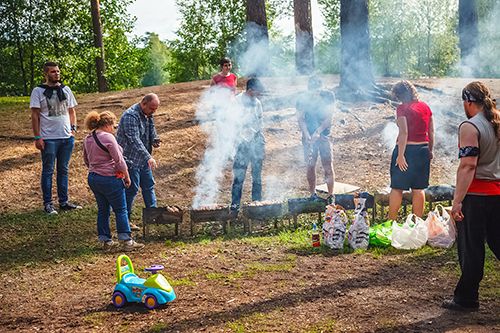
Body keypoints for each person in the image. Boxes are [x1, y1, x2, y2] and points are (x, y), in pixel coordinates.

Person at [443, 81, 500, 312]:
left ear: (468, 102)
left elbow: (468, 165)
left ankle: (466, 298)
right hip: (498, 194)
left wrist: (457, 202)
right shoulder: (497, 121)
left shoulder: (470, 126)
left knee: (471, 248)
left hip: (476, 197)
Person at [83, 111, 144, 251]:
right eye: (114, 126)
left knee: (103, 209)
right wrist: (127, 176)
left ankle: (105, 241)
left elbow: (86, 159)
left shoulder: (88, 138)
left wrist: (95, 169)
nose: (114, 129)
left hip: (93, 178)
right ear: (108, 125)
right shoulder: (108, 138)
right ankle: (126, 241)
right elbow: (119, 161)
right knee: (120, 209)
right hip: (110, 179)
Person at [30, 61, 82, 214]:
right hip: (48, 138)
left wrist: (73, 130)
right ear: (45, 74)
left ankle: (64, 202)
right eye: (53, 72)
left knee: (63, 170)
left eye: (58, 71)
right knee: (48, 170)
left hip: (66, 138)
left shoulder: (66, 89)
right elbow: (34, 115)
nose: (56, 74)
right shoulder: (38, 91)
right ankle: (48, 204)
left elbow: (72, 111)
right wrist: (37, 137)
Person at [388, 80, 434, 220]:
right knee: (418, 189)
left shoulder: (402, 109)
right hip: (422, 150)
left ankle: (392, 222)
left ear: (399, 95)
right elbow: (431, 132)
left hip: (406, 150)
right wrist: (430, 150)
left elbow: (404, 133)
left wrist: (401, 155)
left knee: (397, 188)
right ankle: (418, 223)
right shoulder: (426, 107)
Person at [116, 93, 161, 229]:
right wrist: (148, 157)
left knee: (149, 186)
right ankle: (126, 219)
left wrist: (154, 139)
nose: (153, 112)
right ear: (143, 103)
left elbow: (151, 129)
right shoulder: (131, 116)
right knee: (131, 189)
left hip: (143, 158)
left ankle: (153, 215)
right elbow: (134, 140)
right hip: (130, 159)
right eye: (152, 108)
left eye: (155, 109)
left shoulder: (148, 114)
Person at [296, 77, 336, 204]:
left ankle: (331, 195)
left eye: (317, 91)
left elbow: (329, 118)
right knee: (310, 164)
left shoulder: (328, 96)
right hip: (308, 137)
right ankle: (312, 194)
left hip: (324, 136)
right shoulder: (302, 99)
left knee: (327, 165)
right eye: (312, 92)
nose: (315, 94)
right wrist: (307, 134)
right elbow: (301, 118)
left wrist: (318, 132)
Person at [230, 78, 266, 210]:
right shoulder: (237, 102)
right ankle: (235, 206)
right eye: (257, 91)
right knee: (239, 177)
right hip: (241, 144)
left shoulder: (257, 103)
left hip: (256, 142)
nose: (258, 94)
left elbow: (259, 122)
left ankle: (256, 205)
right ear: (250, 90)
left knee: (257, 176)